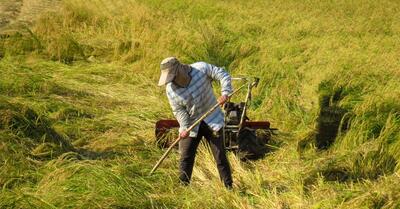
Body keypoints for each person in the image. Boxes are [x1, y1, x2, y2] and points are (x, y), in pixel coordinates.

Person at [158, 57, 233, 189]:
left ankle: (228, 188)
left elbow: (222, 74)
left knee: (220, 156)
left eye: (173, 77)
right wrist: (184, 127)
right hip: (192, 125)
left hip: (213, 119)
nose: (171, 81)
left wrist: (225, 93)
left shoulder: (201, 68)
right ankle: (183, 188)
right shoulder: (170, 90)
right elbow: (178, 110)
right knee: (185, 156)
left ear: (179, 69)